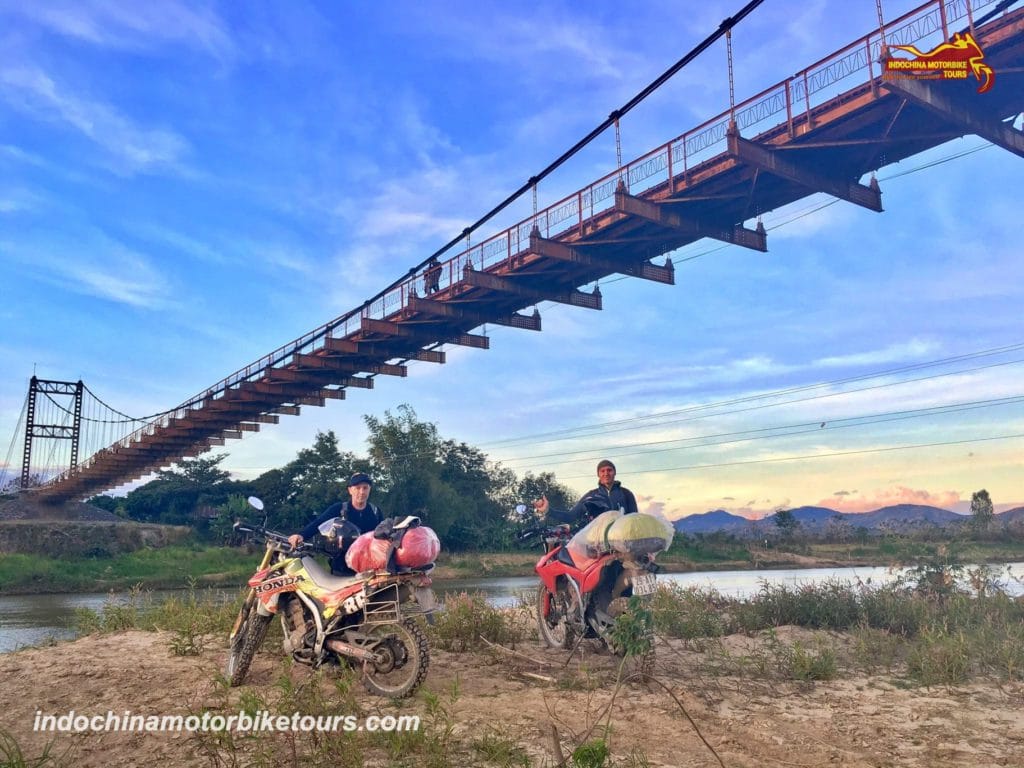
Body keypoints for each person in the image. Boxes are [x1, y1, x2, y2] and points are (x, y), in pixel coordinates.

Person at [288, 472, 384, 575]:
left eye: (365, 488)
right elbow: (319, 523)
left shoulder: (375, 512)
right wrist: (301, 535)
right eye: (357, 488)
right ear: (350, 490)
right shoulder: (338, 509)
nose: (361, 492)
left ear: (369, 489)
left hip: (369, 570)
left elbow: (383, 536)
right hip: (341, 569)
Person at [533, 459, 638, 528]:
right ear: (598, 474)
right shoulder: (591, 496)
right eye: (602, 471)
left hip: (623, 546)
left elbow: (635, 522)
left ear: (614, 472)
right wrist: (548, 510)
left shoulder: (626, 494)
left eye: (609, 470)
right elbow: (570, 516)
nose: (606, 473)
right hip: (597, 547)